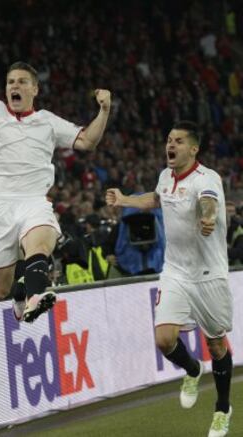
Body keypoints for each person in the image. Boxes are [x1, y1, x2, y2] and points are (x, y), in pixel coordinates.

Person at [0, 57, 111, 322]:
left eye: (21, 82)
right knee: (0, 290)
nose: (14, 86)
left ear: (34, 90)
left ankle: (35, 296)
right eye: (10, 82)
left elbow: (87, 141)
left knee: (40, 244)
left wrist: (104, 110)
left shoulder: (48, 122)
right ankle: (21, 293)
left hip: (34, 202)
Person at [106, 121, 233, 437]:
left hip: (208, 275)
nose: (170, 145)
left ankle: (222, 408)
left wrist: (207, 217)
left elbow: (209, 202)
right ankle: (192, 369)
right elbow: (156, 198)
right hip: (175, 271)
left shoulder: (208, 179)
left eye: (178, 141)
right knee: (164, 340)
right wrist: (124, 200)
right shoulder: (165, 177)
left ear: (193, 148)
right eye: (168, 139)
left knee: (216, 345)